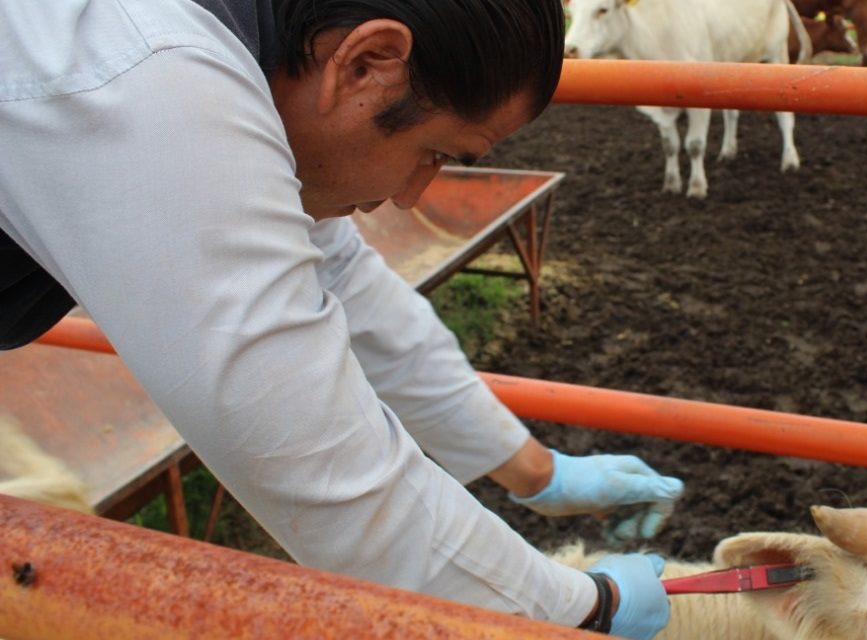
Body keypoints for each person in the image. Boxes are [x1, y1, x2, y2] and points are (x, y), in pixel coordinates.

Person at [0, 1, 681, 637]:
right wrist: (585, 609)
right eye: (436, 153)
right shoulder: (151, 76)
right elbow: (310, 453)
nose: (413, 196)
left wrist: (538, 472)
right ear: (367, 64)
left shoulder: (246, 61)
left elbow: (345, 281)